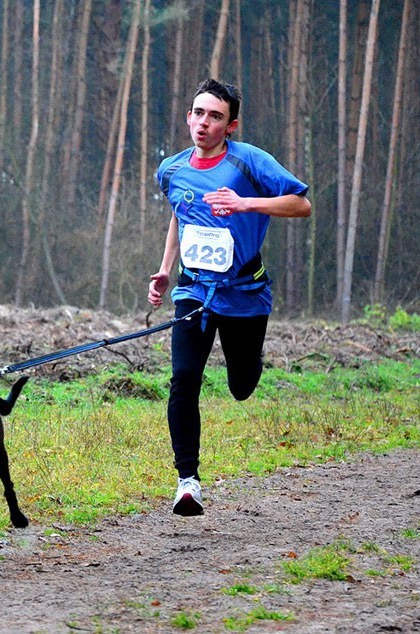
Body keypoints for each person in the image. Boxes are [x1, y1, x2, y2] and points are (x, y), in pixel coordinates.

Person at [148, 78, 311, 516]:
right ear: (188, 117)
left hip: (245, 294)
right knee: (184, 378)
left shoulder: (250, 162)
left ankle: (252, 359)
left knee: (241, 386)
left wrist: (246, 204)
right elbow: (180, 218)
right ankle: (188, 482)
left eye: (215, 116)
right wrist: (166, 270)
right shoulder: (171, 169)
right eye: (198, 113)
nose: (204, 122)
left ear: (230, 125)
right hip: (194, 291)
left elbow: (300, 204)